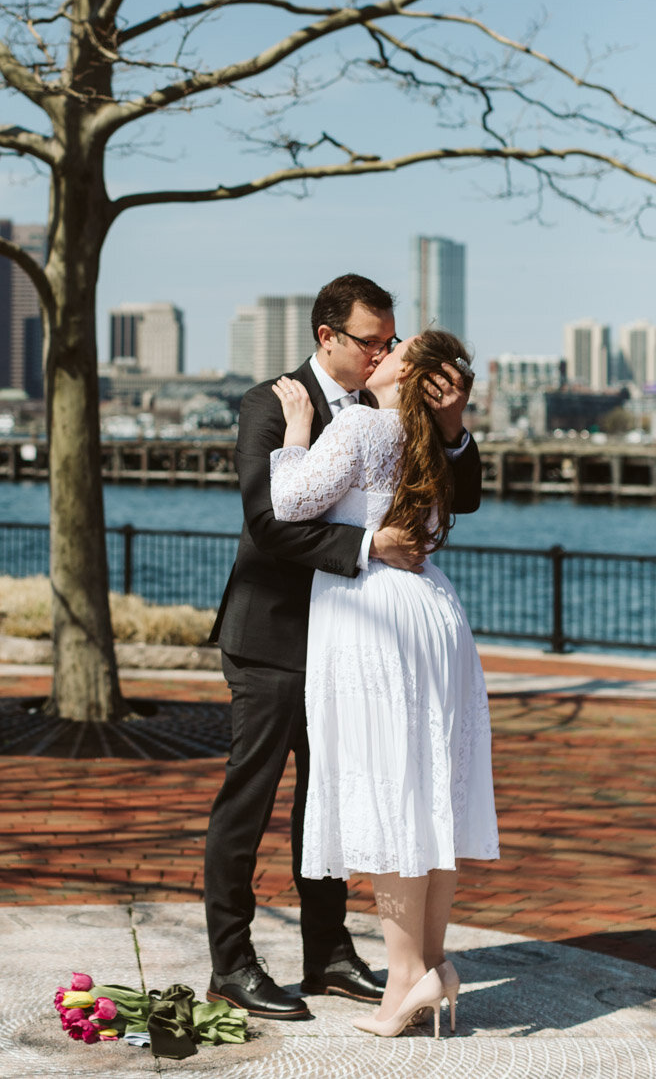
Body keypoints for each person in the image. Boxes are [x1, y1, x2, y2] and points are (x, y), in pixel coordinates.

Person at [204, 275, 481, 1021]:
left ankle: (327, 953)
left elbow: (469, 493)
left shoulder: (394, 411)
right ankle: (231, 963)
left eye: (391, 340)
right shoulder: (273, 402)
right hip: (274, 639)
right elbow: (268, 519)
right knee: (251, 800)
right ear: (328, 337)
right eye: (372, 341)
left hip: (357, 641)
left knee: (328, 801)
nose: (383, 351)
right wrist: (368, 545)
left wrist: (453, 427)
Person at [270, 329, 499, 1038]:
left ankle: (405, 977)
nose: (383, 352)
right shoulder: (428, 437)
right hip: (433, 611)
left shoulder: (362, 424)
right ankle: (431, 960)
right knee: (429, 793)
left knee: (392, 791)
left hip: (374, 617)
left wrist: (298, 432)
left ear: (410, 375)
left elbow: (290, 501)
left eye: (397, 350)